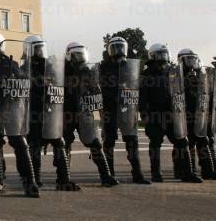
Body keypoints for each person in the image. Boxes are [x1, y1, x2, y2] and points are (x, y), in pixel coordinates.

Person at [0, 31, 39, 197]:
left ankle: (30, 182)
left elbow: (23, 83)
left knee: (20, 143)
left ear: (0, 45)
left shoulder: (11, 64)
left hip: (11, 109)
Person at [140, 43, 202, 183]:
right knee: (155, 143)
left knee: (182, 141)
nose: (163, 57)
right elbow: (142, 96)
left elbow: (180, 91)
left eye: (165, 53)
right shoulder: (146, 74)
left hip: (172, 113)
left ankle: (187, 172)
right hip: (155, 114)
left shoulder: (173, 71)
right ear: (153, 56)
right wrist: (144, 112)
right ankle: (156, 173)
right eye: (160, 54)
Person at [26, 35, 81, 191]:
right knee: (35, 146)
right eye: (37, 48)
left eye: (41, 47)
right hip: (34, 113)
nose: (40, 51)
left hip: (50, 113)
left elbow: (57, 82)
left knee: (59, 143)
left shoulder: (49, 66)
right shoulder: (25, 68)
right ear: (30, 49)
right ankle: (35, 180)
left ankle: (63, 180)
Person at [64, 42, 119, 187]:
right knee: (65, 144)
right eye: (77, 55)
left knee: (95, 143)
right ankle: (63, 178)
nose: (80, 58)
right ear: (69, 55)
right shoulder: (62, 71)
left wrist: (97, 116)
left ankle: (105, 176)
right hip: (67, 112)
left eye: (82, 55)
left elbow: (95, 93)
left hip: (86, 111)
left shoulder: (88, 71)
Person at [99, 36, 150, 184]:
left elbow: (135, 85)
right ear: (110, 50)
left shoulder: (129, 66)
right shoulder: (104, 67)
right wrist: (116, 92)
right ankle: (109, 175)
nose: (119, 50)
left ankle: (138, 174)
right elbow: (102, 87)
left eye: (121, 47)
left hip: (128, 106)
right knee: (109, 141)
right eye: (116, 47)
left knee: (132, 140)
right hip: (110, 107)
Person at [178, 49, 216, 179]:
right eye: (188, 59)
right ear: (181, 60)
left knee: (203, 140)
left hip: (198, 114)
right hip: (183, 115)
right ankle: (184, 170)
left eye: (193, 59)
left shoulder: (200, 75)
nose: (191, 62)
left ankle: (208, 170)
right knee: (185, 143)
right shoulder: (176, 76)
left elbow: (205, 94)